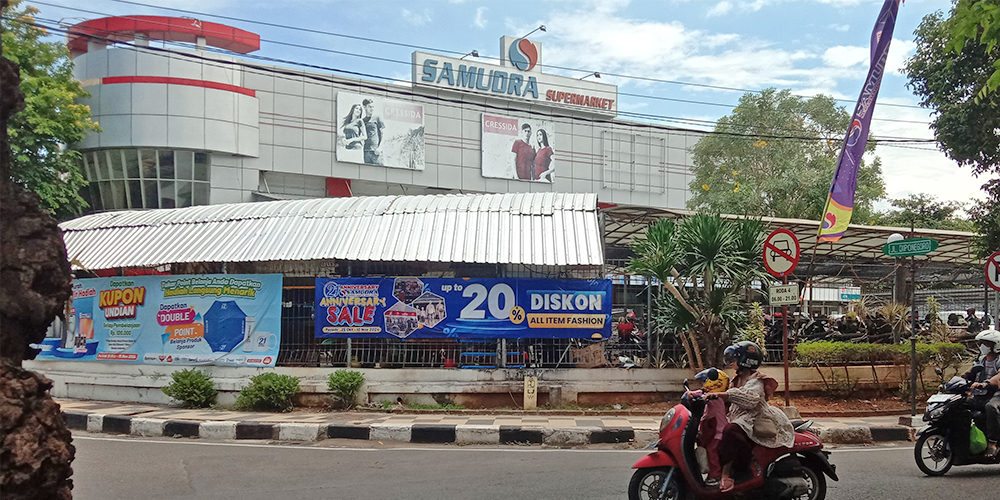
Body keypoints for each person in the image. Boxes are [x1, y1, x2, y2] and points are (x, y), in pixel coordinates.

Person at [708, 341, 795, 492]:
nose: (731, 362)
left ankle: (732, 472)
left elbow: (750, 399)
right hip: (739, 417)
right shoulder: (736, 378)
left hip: (754, 417)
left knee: (730, 431)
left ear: (745, 360)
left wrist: (724, 395)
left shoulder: (757, 380)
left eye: (734, 359)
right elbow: (716, 389)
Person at [693, 367, 730, 486]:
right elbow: (701, 393)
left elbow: (706, 416)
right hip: (716, 431)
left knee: (711, 451)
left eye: (705, 381)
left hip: (719, 432)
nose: (704, 384)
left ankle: (715, 475)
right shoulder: (712, 397)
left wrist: (692, 394)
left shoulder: (715, 398)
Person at [967, 329, 1000, 457]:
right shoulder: (981, 360)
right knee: (960, 404)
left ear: (995, 345)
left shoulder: (998, 360)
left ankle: (993, 443)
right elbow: (970, 374)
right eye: (981, 343)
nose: (982, 346)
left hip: (997, 394)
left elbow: (998, 377)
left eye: (985, 343)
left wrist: (986, 382)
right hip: (982, 394)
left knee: (990, 407)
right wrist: (952, 383)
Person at [362, 98, 385, 165]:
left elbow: (383, 133)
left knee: (380, 172)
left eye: (373, 107)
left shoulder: (377, 118)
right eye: (370, 107)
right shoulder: (363, 121)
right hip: (366, 151)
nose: (372, 109)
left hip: (376, 151)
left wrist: (380, 147)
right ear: (364, 107)